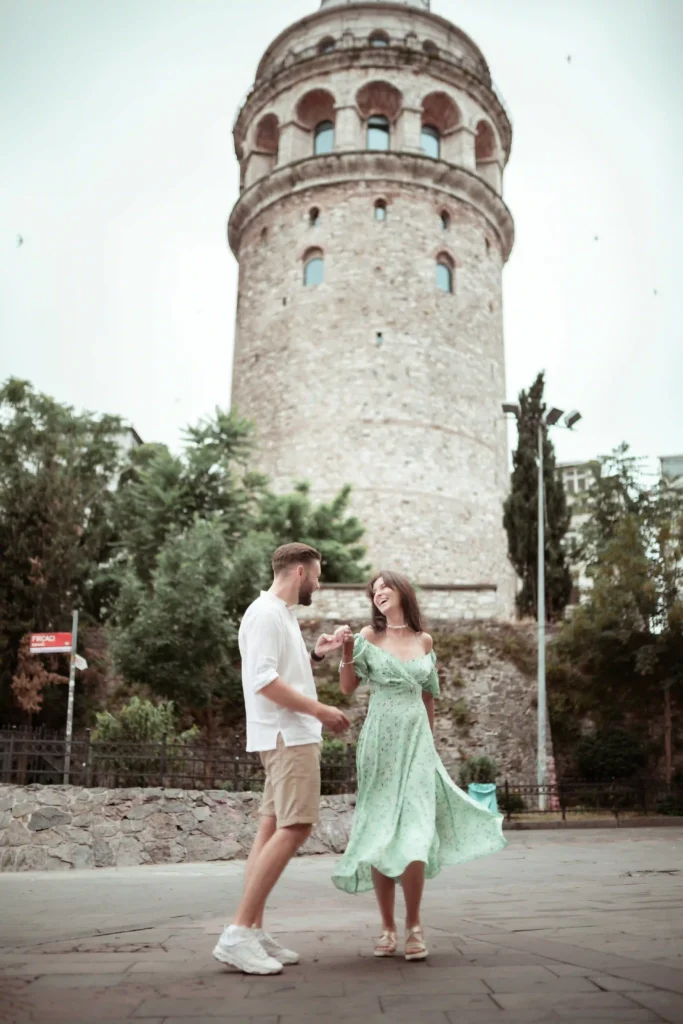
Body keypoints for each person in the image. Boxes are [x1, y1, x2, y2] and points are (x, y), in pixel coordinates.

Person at [331, 570, 506, 961]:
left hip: (416, 744)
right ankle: (387, 928)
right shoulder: (368, 637)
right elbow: (346, 688)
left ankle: (413, 925)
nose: (378, 593)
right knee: (379, 830)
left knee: (414, 832)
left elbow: (429, 697)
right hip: (379, 743)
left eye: (384, 587)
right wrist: (346, 653)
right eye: (373, 591)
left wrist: (430, 744)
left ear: (400, 592)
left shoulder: (424, 640)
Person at [213, 543, 351, 975]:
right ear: (298, 572)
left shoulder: (280, 615)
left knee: (272, 827)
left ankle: (251, 929)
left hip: (285, 735)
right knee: (296, 825)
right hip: (288, 736)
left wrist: (317, 654)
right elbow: (264, 681)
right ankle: (237, 933)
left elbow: (282, 671)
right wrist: (321, 711)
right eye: (317, 574)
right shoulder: (266, 613)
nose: (319, 582)